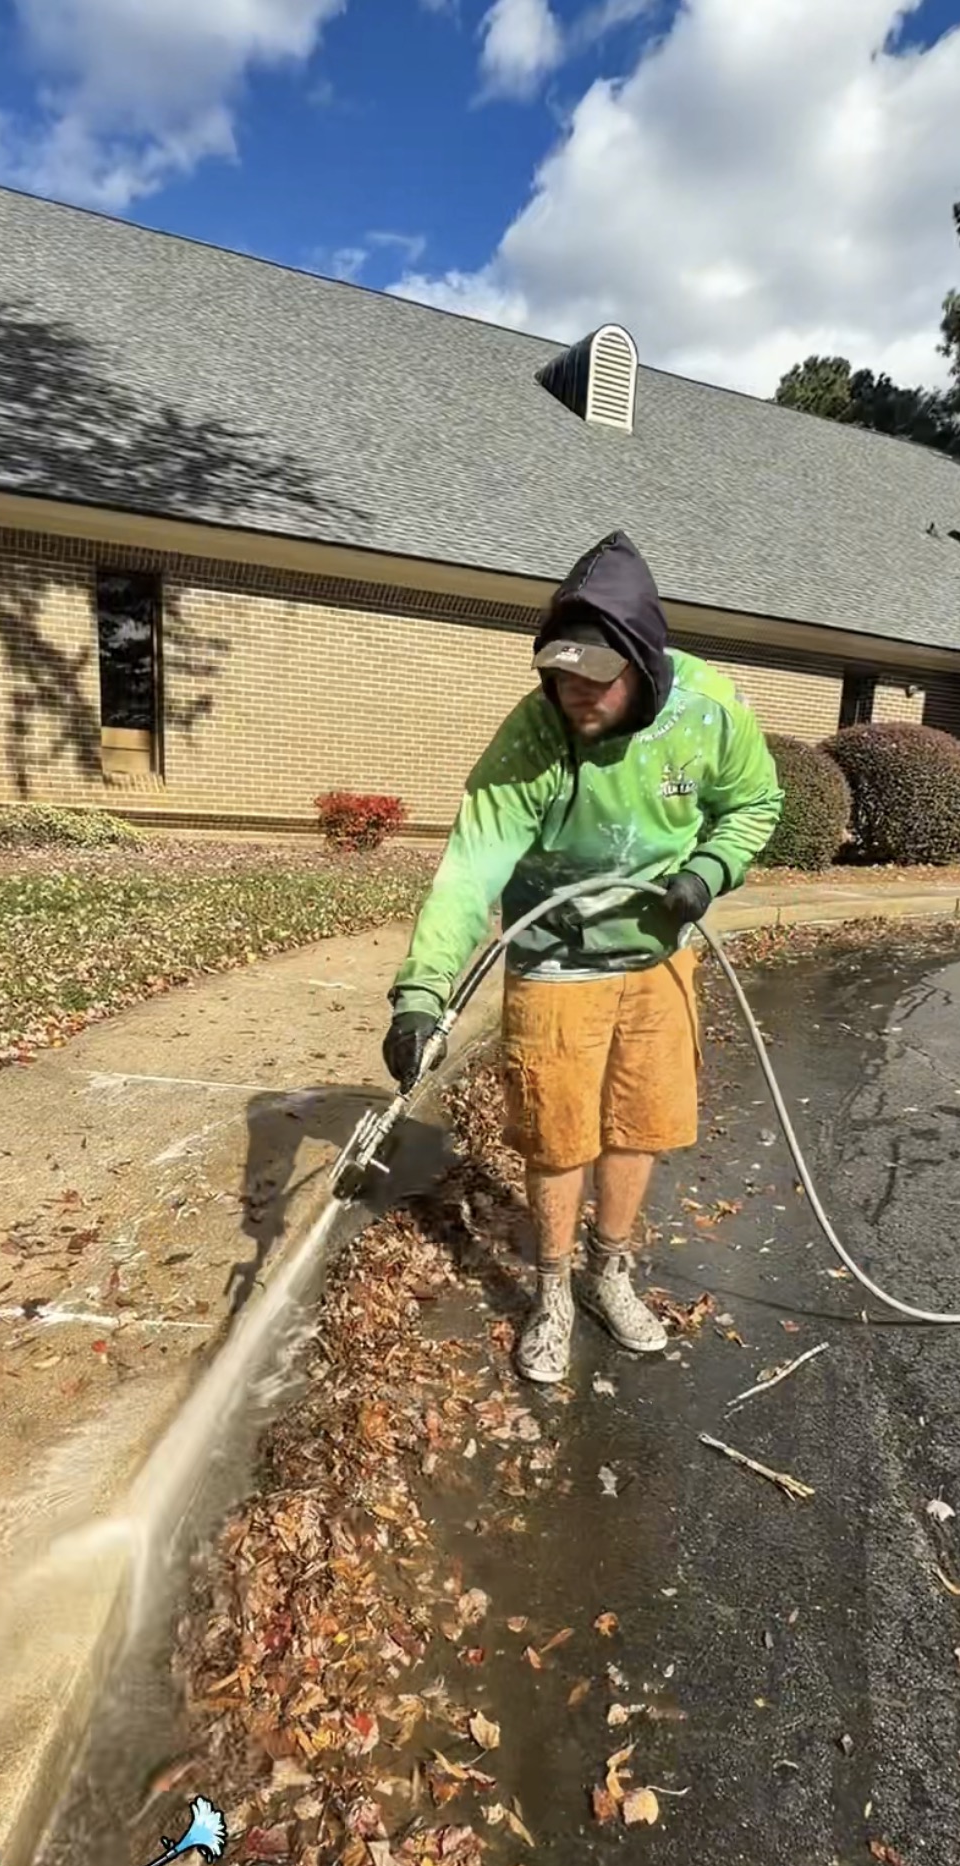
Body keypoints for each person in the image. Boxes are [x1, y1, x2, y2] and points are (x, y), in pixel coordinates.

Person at [383, 530, 782, 1384]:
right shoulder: (533, 736)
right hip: (555, 958)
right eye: (561, 673)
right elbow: (471, 868)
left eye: (596, 677)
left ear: (643, 664)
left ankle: (610, 1272)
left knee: (639, 1122)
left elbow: (754, 803)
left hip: (658, 954)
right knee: (559, 1133)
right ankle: (555, 1290)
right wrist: (421, 995)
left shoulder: (708, 709)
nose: (575, 692)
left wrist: (709, 872)